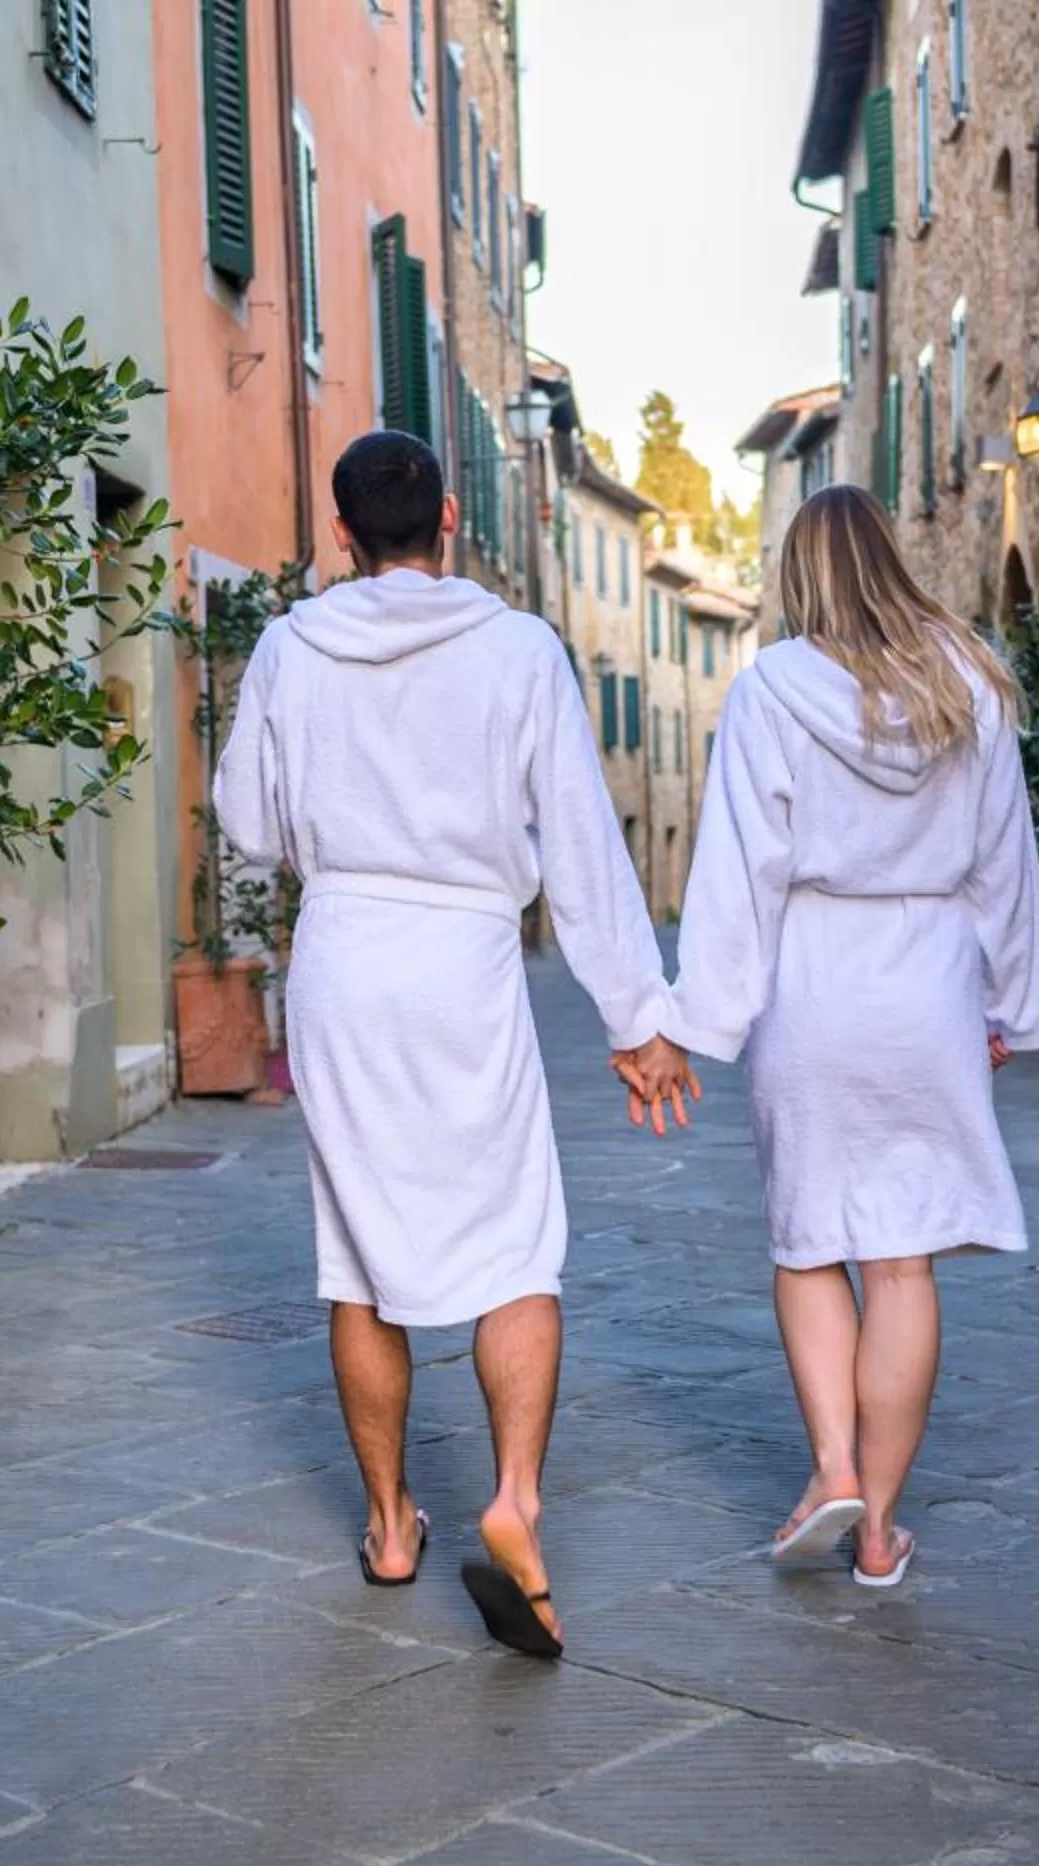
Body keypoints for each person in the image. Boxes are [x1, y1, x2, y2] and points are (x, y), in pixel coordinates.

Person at [212, 430, 698, 1659]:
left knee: (358, 1255)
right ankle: (514, 1501)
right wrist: (639, 1019)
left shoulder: (289, 647)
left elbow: (248, 823)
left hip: (343, 957)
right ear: (451, 528)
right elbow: (584, 844)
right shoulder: (520, 649)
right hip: (466, 960)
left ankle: (387, 1525)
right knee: (513, 1241)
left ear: (340, 537)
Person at [665, 483, 1039, 1587]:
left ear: (800, 578)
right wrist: (1015, 1008)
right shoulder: (969, 684)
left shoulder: (769, 695)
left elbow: (741, 872)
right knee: (901, 1263)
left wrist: (699, 1020)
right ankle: (878, 1527)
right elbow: (1004, 864)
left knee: (807, 1243)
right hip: (927, 987)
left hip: (814, 982)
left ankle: (832, 1464)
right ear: (892, 559)